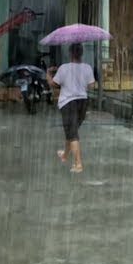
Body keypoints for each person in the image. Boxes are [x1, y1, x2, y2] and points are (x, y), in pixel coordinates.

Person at [48, 43, 96, 174]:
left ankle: (78, 164)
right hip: (83, 102)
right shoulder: (87, 67)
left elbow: (53, 84)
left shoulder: (64, 68)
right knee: (71, 130)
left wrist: (48, 74)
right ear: (81, 53)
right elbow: (91, 86)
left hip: (68, 103)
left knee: (72, 133)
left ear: (70, 53)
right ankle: (65, 154)